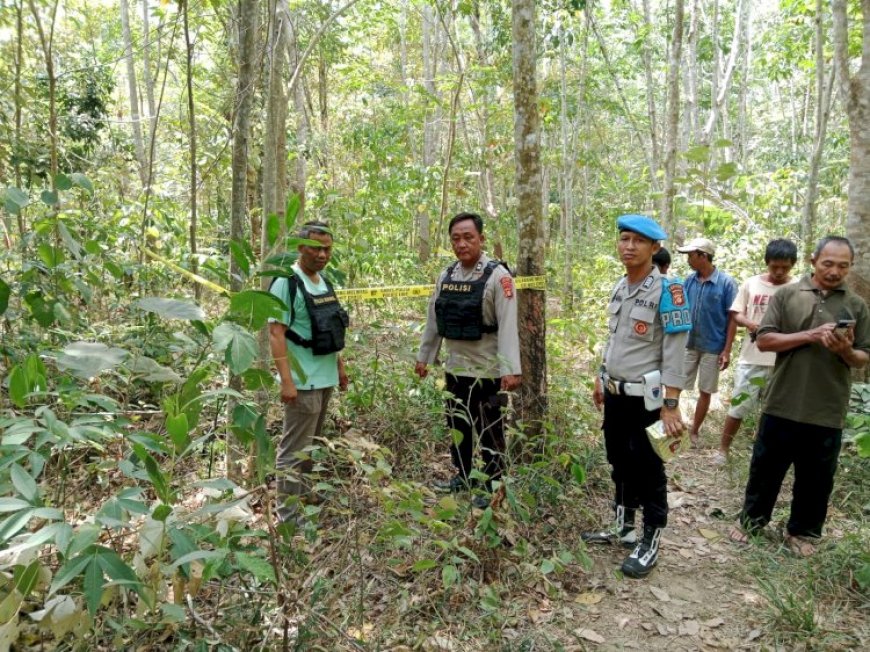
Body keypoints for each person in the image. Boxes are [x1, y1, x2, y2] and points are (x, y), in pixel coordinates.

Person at [731, 236, 869, 556]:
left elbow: (864, 356)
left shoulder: (856, 305)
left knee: (817, 477)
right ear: (813, 261)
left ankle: (803, 532)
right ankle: (751, 521)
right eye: (828, 264)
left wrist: (846, 350)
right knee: (766, 467)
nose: (835, 271)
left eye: (843, 266)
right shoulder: (788, 295)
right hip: (783, 398)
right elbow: (764, 341)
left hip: (828, 405)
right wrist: (809, 335)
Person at [583, 214, 690, 579]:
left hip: (648, 399)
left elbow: (677, 353)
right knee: (618, 460)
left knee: (648, 468)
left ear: (655, 247)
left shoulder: (669, 291)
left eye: (638, 241)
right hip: (616, 395)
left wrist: (671, 403)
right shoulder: (620, 286)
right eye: (624, 239)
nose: (628, 247)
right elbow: (614, 340)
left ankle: (650, 539)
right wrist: (601, 376)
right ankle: (623, 526)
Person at [415, 212, 521, 509]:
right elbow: (434, 319)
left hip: (488, 370)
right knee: (458, 426)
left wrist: (511, 370)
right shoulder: (446, 276)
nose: (461, 244)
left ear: (481, 239)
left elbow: (509, 323)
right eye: (456, 239)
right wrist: (425, 357)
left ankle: (492, 484)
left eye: (468, 237)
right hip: (456, 368)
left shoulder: (498, 277)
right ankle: (463, 476)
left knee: (490, 430)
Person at [268, 221, 349, 524]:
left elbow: (330, 328)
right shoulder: (287, 282)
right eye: (316, 247)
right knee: (294, 450)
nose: (322, 254)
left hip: (325, 376)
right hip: (303, 382)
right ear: (300, 247)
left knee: (312, 446)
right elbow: (276, 333)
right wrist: (287, 381)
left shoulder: (323, 281)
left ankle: (305, 498)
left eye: (327, 248)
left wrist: (339, 367)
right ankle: (288, 517)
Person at [714, 239, 798, 464]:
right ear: (767, 262)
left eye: (785, 267)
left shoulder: (798, 287)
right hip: (751, 358)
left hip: (783, 361)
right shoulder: (751, 284)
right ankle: (723, 449)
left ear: (793, 265)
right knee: (739, 405)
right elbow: (736, 314)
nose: (779, 272)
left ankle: (768, 453)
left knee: (776, 413)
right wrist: (750, 325)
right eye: (774, 266)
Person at [677, 237, 738, 445]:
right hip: (688, 342)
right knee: (676, 383)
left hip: (713, 346)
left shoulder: (727, 284)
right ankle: (672, 423)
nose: (688, 260)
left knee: (705, 390)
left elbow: (732, 319)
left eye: (691, 256)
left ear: (703, 256)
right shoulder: (689, 281)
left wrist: (727, 350)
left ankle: (694, 430)